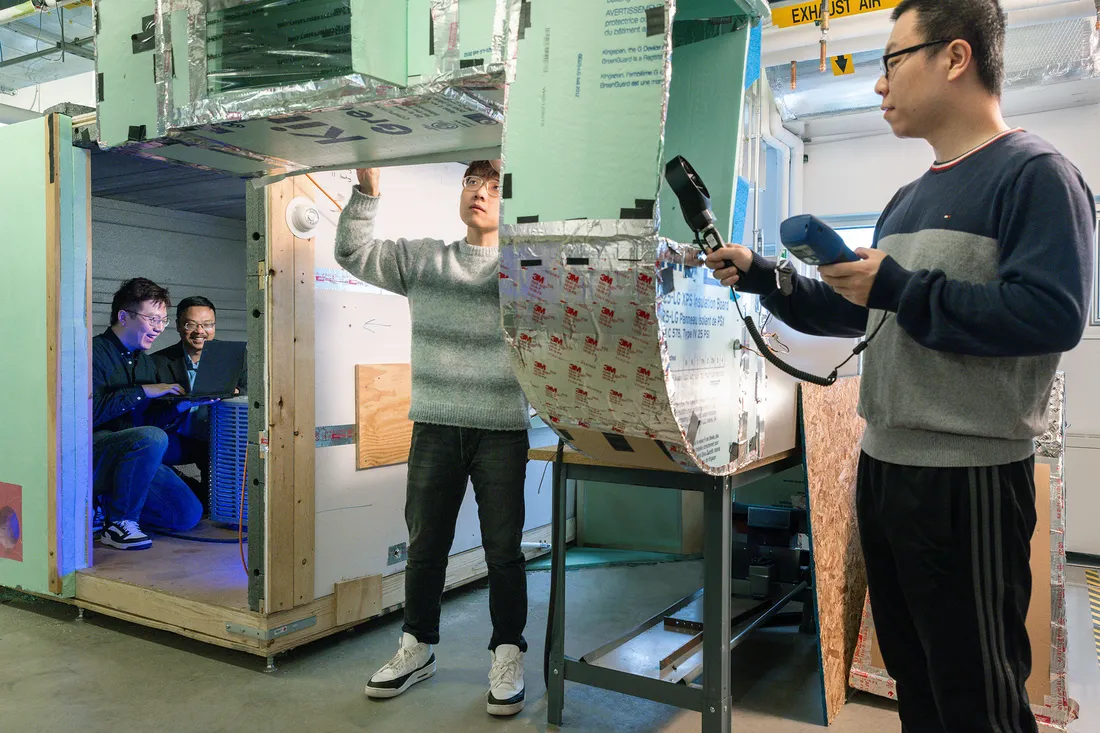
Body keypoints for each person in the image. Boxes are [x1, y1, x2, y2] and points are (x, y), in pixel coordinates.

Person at [706, 1, 1095, 731]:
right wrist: (764, 276)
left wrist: (902, 288)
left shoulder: (1036, 176)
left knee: (977, 697)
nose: (877, 83)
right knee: (916, 684)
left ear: (954, 57)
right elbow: (867, 313)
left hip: (967, 479)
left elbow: (1052, 315)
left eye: (891, 60)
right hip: (884, 470)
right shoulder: (907, 199)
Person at [334, 161, 531, 716]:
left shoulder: (527, 267)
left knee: (503, 552)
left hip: (501, 429)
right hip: (436, 425)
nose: (481, 194)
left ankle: (508, 650)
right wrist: (367, 194)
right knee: (425, 547)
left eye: (495, 187)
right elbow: (352, 253)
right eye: (472, 183)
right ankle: (416, 646)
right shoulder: (425, 259)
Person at [93, 278, 205, 550]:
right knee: (152, 438)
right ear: (123, 316)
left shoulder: (144, 361)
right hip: (93, 454)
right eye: (152, 318)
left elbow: (146, 424)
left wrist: (179, 407)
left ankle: (107, 505)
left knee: (187, 515)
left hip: (132, 461)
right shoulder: (92, 353)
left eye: (163, 320)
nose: (158, 328)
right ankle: (119, 523)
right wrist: (143, 391)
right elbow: (90, 414)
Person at [152, 295, 247, 514]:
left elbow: (250, 391)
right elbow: (151, 415)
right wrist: (182, 403)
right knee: (149, 457)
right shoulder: (157, 363)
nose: (200, 331)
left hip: (218, 439)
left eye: (207, 325)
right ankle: (179, 485)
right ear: (178, 326)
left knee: (210, 507)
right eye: (191, 325)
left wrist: (231, 391)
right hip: (176, 438)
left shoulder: (235, 358)